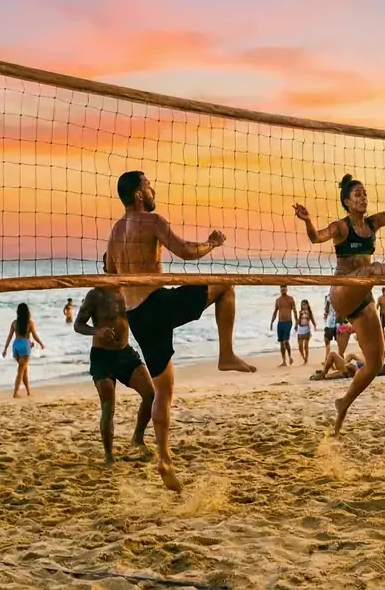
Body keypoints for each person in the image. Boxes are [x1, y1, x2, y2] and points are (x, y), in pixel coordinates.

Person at [107, 171, 256, 492]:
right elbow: (186, 251)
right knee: (226, 285)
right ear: (138, 195)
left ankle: (164, 458)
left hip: (137, 317)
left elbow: (109, 271)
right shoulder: (152, 220)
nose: (152, 189)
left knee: (164, 390)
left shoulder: (115, 231)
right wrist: (212, 243)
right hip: (157, 304)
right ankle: (226, 354)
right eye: (148, 185)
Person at [294, 164, 385, 433]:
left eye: (365, 193)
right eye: (357, 194)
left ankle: (343, 404)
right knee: (372, 270)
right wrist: (307, 221)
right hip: (342, 290)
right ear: (347, 202)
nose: (363, 198)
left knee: (375, 364)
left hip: (363, 296)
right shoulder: (341, 227)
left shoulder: (372, 223)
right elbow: (316, 237)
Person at [74, 253, 155, 464]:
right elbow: (78, 324)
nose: (117, 265)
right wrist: (97, 331)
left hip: (125, 352)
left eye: (119, 261)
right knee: (108, 406)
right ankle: (109, 456)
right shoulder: (96, 294)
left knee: (150, 394)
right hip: (102, 357)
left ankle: (137, 438)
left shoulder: (131, 290)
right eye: (111, 263)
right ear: (105, 267)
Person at [2, 303, 45, 398]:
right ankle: (15, 393)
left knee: (24, 370)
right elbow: (34, 335)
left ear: (18, 312)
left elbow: (10, 336)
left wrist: (5, 349)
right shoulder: (30, 323)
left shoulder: (14, 323)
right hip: (24, 346)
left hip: (16, 346)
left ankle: (28, 391)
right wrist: (41, 343)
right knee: (20, 371)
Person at [270, 286, 298, 366]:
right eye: (281, 289)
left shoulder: (290, 299)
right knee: (281, 343)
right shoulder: (278, 300)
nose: (283, 290)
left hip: (288, 322)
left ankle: (290, 357)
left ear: (286, 289)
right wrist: (272, 322)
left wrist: (296, 322)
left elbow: (295, 311)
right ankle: (284, 361)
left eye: (284, 288)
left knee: (286, 341)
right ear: (280, 290)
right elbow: (275, 312)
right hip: (280, 323)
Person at [296, 299, 317, 365]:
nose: (304, 306)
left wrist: (315, 325)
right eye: (302, 305)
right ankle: (304, 358)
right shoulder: (300, 312)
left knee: (306, 346)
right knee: (300, 347)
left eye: (305, 305)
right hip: (300, 330)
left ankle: (306, 360)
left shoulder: (309, 312)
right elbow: (298, 320)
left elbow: (312, 320)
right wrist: (295, 326)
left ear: (307, 305)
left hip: (307, 330)